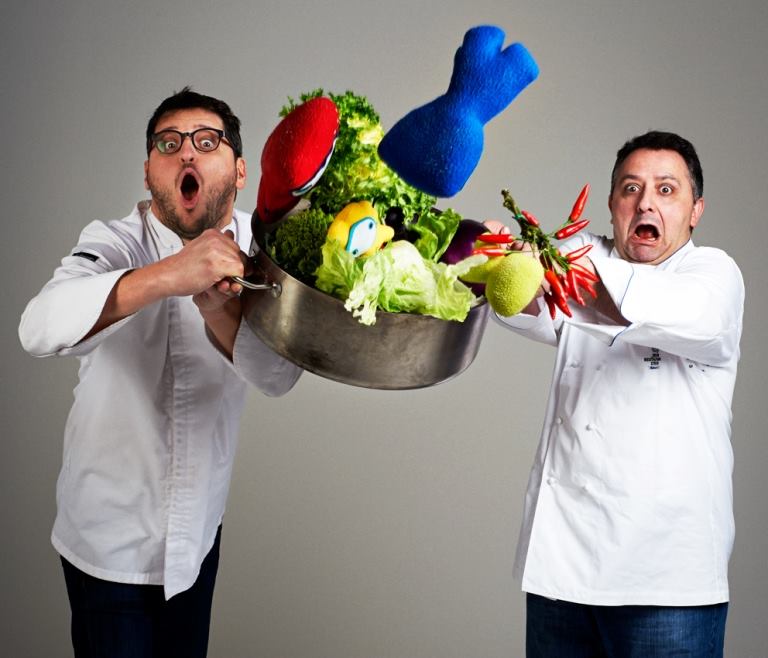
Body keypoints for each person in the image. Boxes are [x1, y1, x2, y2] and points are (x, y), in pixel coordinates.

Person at [18, 87, 303, 658]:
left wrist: (220, 311)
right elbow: (37, 328)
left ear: (240, 170)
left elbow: (278, 378)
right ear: (149, 172)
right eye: (168, 145)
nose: (186, 153)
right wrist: (171, 274)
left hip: (197, 541)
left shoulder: (264, 252)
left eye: (207, 141)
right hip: (109, 549)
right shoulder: (113, 240)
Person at [495, 131, 744, 657]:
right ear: (612, 205)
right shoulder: (582, 254)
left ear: (695, 211)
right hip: (562, 573)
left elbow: (646, 304)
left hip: (666, 583)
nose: (646, 202)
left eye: (666, 190)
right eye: (631, 188)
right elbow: (523, 307)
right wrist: (495, 259)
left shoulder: (714, 276)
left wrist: (544, 265)